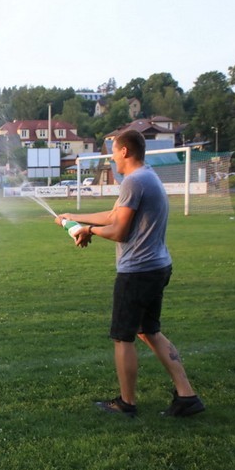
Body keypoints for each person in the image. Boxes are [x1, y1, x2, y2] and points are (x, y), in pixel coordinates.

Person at [56, 129, 204, 418]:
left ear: (124, 151)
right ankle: (187, 396)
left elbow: (119, 231)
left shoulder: (134, 181)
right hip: (156, 267)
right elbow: (114, 216)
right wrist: (73, 218)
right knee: (149, 331)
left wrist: (88, 231)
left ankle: (126, 403)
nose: (112, 157)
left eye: (114, 151)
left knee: (123, 337)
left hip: (137, 272)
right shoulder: (146, 177)